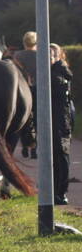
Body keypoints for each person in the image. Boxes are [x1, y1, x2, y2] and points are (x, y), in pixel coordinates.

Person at [50, 44, 75, 205]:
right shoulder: (47, 71)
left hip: (62, 121)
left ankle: (61, 191)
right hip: (50, 121)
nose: (49, 56)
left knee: (62, 155)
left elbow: (61, 90)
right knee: (51, 157)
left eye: (53, 54)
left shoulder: (62, 72)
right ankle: (53, 190)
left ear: (59, 56)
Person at [14, 31, 39, 158]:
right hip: (38, 90)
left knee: (24, 120)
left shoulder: (17, 55)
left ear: (24, 42)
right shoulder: (41, 55)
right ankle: (36, 148)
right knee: (37, 120)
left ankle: (25, 145)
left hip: (23, 90)